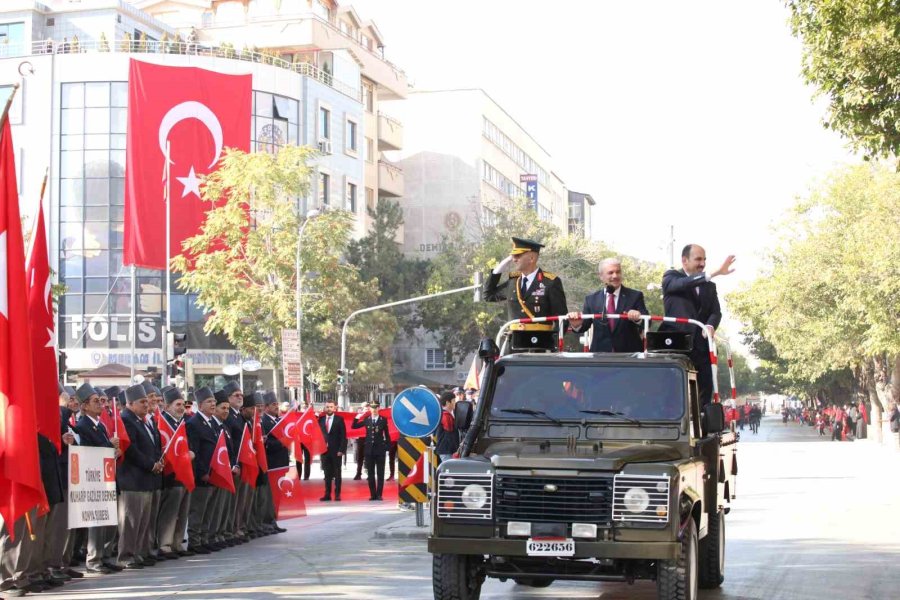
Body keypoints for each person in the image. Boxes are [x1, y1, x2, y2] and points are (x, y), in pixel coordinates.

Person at [660, 244, 735, 407]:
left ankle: (701, 426)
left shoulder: (710, 286)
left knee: (705, 388)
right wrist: (715, 273)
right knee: (672, 390)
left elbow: (716, 312)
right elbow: (683, 284)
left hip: (701, 346)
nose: (702, 264)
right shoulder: (671, 277)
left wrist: (710, 325)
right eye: (698, 259)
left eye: (704, 260)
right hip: (674, 345)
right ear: (684, 260)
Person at [483, 237, 568, 349]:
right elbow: (488, 295)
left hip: (540, 345)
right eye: (513, 256)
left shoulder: (550, 282)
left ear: (531, 258)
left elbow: (562, 319)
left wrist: (554, 345)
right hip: (514, 345)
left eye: (518, 256)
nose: (514, 259)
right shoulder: (513, 282)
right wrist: (501, 266)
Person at [72, 384, 122, 575]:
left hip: (106, 478)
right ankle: (93, 559)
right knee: (96, 523)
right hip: (93, 480)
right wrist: (108, 445)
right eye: (96, 401)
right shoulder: (83, 425)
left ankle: (104, 556)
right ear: (84, 406)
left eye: (101, 401)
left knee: (108, 522)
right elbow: (86, 452)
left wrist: (113, 451)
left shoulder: (100, 424)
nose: (101, 404)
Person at [117, 384, 163, 570]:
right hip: (132, 479)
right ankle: (126, 555)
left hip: (147, 479)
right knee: (130, 521)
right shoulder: (126, 420)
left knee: (144, 520)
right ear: (130, 403)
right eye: (142, 402)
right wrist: (150, 464)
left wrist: (157, 462)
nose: (146, 405)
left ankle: (139, 552)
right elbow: (131, 449)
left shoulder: (144, 420)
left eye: (147, 401)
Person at [568, 257, 649, 352]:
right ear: (601, 276)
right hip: (600, 356)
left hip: (629, 355)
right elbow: (584, 326)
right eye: (610, 273)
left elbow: (648, 322)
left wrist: (638, 318)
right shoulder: (591, 299)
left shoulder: (635, 296)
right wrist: (576, 325)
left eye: (618, 272)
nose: (615, 276)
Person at [157, 387, 193, 558]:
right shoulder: (164, 422)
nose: (181, 408)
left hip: (184, 474)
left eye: (183, 405)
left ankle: (177, 543)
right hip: (171, 476)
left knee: (182, 513)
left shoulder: (181, 422)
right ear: (167, 407)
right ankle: (165, 544)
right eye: (177, 404)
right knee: (170, 513)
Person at [185, 387, 217, 554]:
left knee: (208, 510)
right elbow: (195, 451)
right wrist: (202, 472)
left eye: (214, 401)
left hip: (213, 474)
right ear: (200, 405)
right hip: (201, 476)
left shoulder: (212, 422)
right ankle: (195, 542)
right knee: (198, 510)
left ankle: (204, 539)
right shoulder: (193, 423)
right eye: (209, 402)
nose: (213, 404)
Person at [352, 401, 391, 501]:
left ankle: (379, 494)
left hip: (380, 450)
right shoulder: (367, 419)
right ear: (370, 409)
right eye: (372, 408)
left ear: (379, 408)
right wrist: (358, 416)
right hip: (369, 450)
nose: (374, 409)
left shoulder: (383, 420)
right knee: (370, 473)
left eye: (376, 407)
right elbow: (354, 426)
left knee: (380, 473)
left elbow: (387, 435)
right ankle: (373, 494)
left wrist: (387, 447)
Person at [261, 392, 288, 535]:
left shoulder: (278, 420)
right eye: (273, 404)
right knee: (270, 496)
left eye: (277, 404)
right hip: (272, 463)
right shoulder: (264, 422)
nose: (276, 406)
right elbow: (267, 443)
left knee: (277, 496)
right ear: (266, 407)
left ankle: (273, 520)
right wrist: (281, 442)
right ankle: (267, 522)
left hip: (281, 463)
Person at [318, 400, 348, 502]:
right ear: (324, 408)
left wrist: (341, 450)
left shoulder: (339, 419)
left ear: (334, 408)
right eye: (327, 407)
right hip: (324, 451)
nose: (329, 408)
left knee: (337, 473)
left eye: (331, 407)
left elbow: (343, 436)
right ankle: (327, 494)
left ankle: (337, 494)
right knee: (327, 474)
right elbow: (316, 434)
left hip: (336, 451)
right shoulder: (320, 420)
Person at [435, 391, 459, 463]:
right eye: (453, 401)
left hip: (446, 450)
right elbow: (449, 431)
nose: (455, 403)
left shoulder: (443, 414)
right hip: (447, 450)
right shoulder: (446, 415)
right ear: (448, 402)